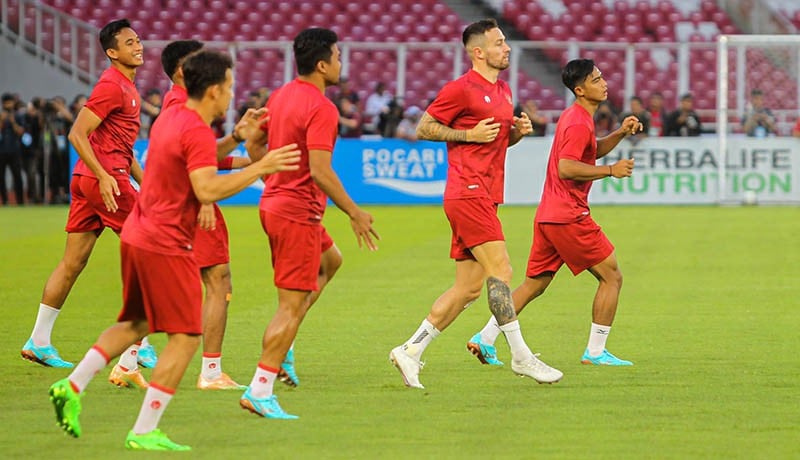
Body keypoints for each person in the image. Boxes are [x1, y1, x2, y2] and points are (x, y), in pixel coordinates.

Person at [47, 49, 301, 451]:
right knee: (184, 337)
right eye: (230, 87)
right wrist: (260, 168)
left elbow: (197, 157)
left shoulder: (174, 116)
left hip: (137, 233)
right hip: (165, 243)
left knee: (136, 323)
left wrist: (236, 138)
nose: (232, 95)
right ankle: (145, 430)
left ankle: (71, 384)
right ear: (215, 90)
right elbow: (205, 187)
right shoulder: (194, 127)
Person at [388, 18, 563, 390]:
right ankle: (520, 355)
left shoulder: (504, 91)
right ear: (478, 51)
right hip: (467, 192)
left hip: (485, 192)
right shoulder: (461, 88)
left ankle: (410, 351)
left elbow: (493, 144)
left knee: (467, 288)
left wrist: (514, 134)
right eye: (500, 43)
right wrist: (467, 133)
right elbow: (424, 127)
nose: (508, 48)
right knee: (501, 269)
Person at [242, 27, 379, 418]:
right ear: (322, 64)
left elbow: (254, 146)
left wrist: (276, 181)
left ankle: (281, 348)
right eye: (337, 56)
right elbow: (320, 170)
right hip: (297, 213)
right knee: (292, 304)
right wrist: (354, 211)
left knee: (331, 261)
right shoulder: (322, 108)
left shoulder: (281, 95)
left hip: (277, 204)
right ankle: (261, 386)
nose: (341, 63)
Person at [468, 59, 639, 368]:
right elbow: (567, 167)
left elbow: (590, 151)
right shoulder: (577, 121)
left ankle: (485, 337)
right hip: (568, 215)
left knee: (535, 283)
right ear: (580, 89)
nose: (604, 83)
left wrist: (620, 133)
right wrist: (611, 171)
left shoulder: (577, 118)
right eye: (597, 79)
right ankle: (596, 352)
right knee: (611, 276)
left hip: (548, 214)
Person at [20, 20, 149, 383]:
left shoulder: (125, 86)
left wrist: (146, 183)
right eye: (129, 42)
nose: (137, 46)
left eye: (137, 40)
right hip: (105, 181)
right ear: (112, 52)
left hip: (91, 180)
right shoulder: (112, 85)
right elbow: (78, 133)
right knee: (157, 251)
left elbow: (123, 149)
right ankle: (136, 345)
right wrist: (106, 176)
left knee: (73, 260)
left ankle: (39, 340)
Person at [157, 39, 268, 390]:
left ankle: (127, 360)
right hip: (192, 206)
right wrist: (206, 198)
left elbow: (205, 154)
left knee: (171, 288)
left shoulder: (174, 104)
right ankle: (210, 371)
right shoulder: (186, 109)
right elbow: (196, 164)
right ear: (183, 70)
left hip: (173, 206)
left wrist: (239, 144)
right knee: (217, 282)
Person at [0, 93, 26, 205]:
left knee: (17, 176)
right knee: (1, 176)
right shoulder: (1, 116)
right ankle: (4, 200)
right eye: (6, 103)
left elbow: (21, 132)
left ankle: (20, 201)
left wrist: (12, 121)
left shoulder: (18, 116)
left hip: (15, 150)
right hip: (1, 151)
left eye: (10, 102)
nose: (8, 105)